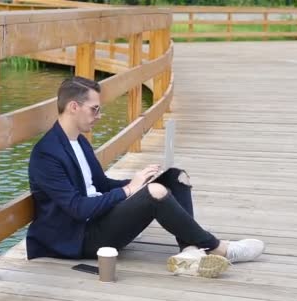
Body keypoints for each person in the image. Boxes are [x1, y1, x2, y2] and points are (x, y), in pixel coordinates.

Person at [26, 76, 265, 278]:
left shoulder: (79, 141)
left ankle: (190, 251)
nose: (99, 115)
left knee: (175, 178)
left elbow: (101, 185)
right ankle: (218, 248)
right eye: (94, 108)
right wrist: (130, 190)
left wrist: (139, 180)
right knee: (154, 194)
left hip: (98, 221)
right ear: (73, 107)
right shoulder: (47, 154)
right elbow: (77, 208)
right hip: (80, 239)